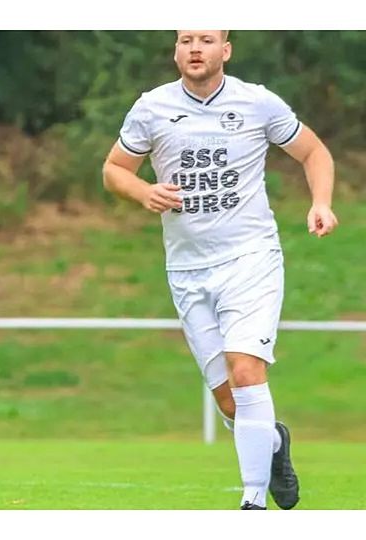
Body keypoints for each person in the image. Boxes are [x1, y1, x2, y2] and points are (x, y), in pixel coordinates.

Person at [103, 30, 338, 510]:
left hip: (250, 258)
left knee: (247, 371)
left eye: (206, 40)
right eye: (186, 39)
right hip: (188, 271)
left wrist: (321, 203)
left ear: (224, 51)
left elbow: (314, 152)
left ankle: (252, 503)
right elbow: (114, 170)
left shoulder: (258, 103)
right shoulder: (151, 107)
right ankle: (271, 442)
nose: (195, 48)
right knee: (230, 400)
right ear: (175, 51)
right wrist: (142, 191)